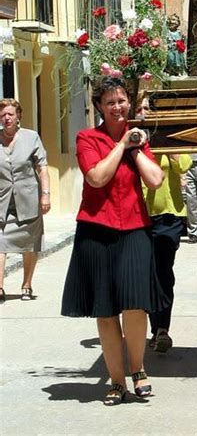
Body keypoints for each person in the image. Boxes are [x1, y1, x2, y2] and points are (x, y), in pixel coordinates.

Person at [61, 76, 164, 406]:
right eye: (110, 102)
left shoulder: (139, 139)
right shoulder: (87, 138)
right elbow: (96, 177)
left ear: (129, 103)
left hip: (135, 227)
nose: (117, 107)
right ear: (99, 107)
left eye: (121, 100)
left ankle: (138, 369)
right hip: (97, 229)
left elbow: (156, 180)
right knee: (105, 312)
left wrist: (136, 149)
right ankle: (116, 381)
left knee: (135, 305)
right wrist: (121, 146)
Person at [0, 99, 51, 303]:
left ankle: (27, 285)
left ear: (18, 115)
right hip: (2, 201)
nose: (7, 118)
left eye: (10, 114)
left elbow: (42, 167)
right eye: (3, 115)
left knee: (29, 245)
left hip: (28, 200)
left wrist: (45, 194)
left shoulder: (31, 137)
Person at [143, 152, 193, 353]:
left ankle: (162, 328)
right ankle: (154, 327)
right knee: (145, 276)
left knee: (162, 273)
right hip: (138, 216)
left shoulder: (167, 142)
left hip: (168, 216)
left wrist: (172, 152)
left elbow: (184, 164)